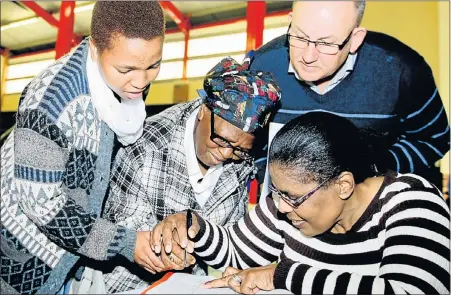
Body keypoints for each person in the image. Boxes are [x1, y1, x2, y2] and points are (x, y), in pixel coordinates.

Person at [151, 112, 450, 295]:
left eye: (292, 197)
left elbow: (411, 291)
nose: (279, 207)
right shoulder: (287, 207)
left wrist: (282, 274)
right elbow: (234, 250)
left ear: (343, 185)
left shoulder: (410, 202)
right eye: (277, 193)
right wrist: (193, 226)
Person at [0, 2, 166, 294]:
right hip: (21, 260)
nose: (141, 82)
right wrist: (125, 242)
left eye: (153, 65)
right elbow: (42, 206)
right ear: (94, 48)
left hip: (70, 252)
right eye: (126, 69)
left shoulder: (123, 84)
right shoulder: (50, 103)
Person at [100, 56, 281, 293]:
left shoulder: (241, 158)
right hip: (124, 285)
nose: (226, 153)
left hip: (188, 285)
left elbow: (232, 238)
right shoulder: (144, 148)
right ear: (203, 109)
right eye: (220, 139)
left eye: (239, 149)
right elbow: (125, 235)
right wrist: (168, 250)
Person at [247, 0, 450, 190]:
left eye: (326, 44)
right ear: (290, 22)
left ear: (355, 39)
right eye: (299, 36)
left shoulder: (402, 71)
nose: (308, 57)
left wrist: (375, 172)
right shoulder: (262, 67)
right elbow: (248, 141)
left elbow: (435, 139)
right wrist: (273, 179)